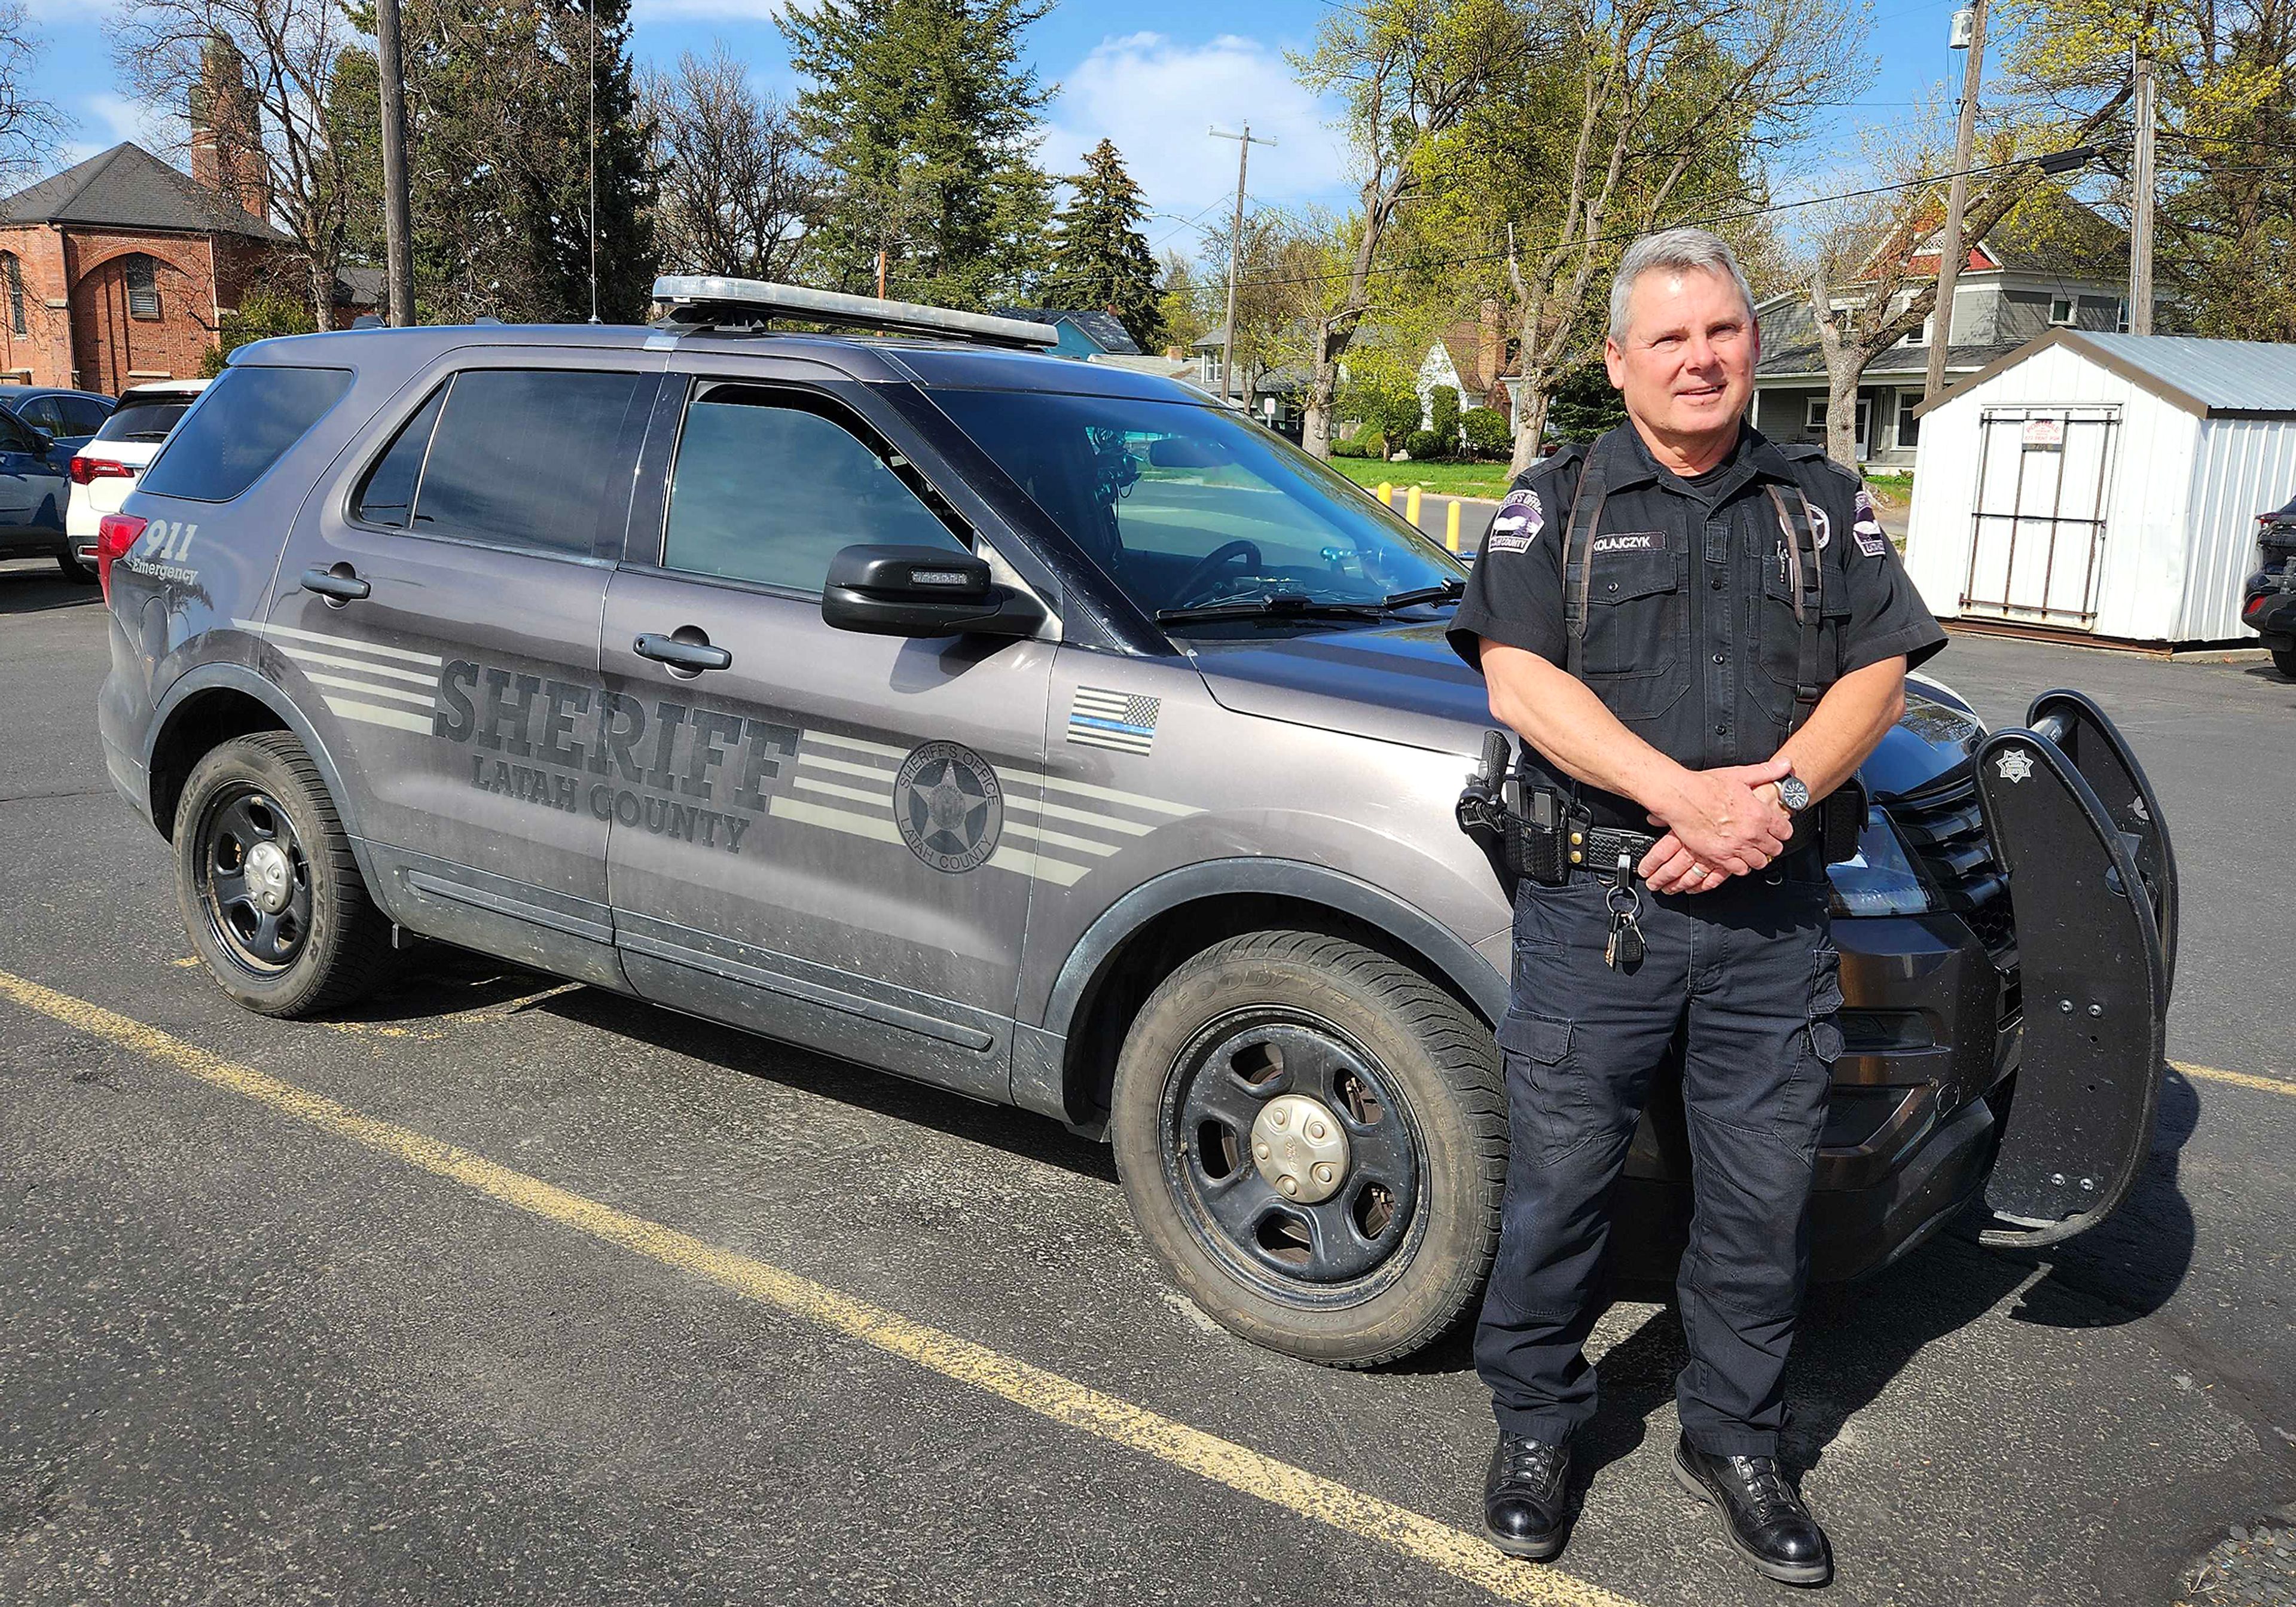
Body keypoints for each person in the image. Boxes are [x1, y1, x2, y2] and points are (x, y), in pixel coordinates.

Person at [1445, 227, 1945, 1588]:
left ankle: (1736, 1437)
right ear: (1618, 362)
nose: (1699, 358)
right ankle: (1539, 1427)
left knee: (1757, 1197)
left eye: (1720, 332)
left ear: (1753, 346)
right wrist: (1685, 799)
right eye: (1668, 338)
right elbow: (1518, 683)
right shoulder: (1553, 505)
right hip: (1595, 914)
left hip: (1771, 911)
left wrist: (1764, 808)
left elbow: (1879, 680)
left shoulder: (1821, 503)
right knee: (1562, 1187)